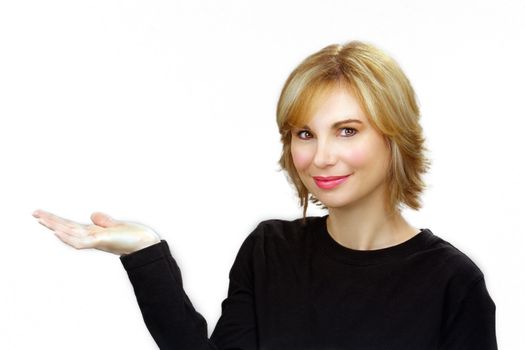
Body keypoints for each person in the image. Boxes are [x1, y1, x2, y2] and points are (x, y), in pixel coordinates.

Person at [32, 40, 498, 350]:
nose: (321, 157)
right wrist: (146, 254)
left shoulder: (453, 283)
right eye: (304, 133)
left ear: (394, 137)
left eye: (347, 130)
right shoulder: (270, 249)